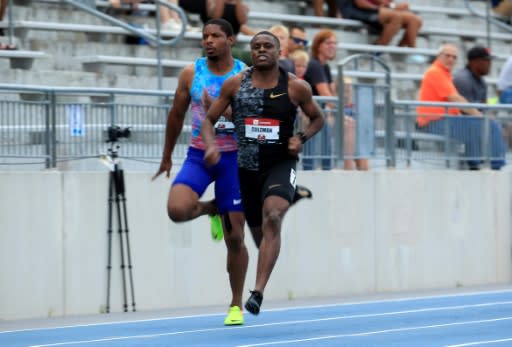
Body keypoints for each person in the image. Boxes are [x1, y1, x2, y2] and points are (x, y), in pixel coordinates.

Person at [201, 31, 324, 315]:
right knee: (257, 232)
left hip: (280, 163)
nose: (261, 50)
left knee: (273, 217)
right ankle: (282, 202)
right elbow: (209, 120)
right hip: (246, 169)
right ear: (251, 52)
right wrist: (210, 146)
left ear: (279, 52)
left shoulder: (296, 87)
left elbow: (318, 117)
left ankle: (257, 293)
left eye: (268, 45)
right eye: (256, 46)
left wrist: (301, 137)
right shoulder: (235, 84)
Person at [152, 18, 248, 326]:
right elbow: (177, 114)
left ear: (230, 40)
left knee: (235, 238)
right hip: (199, 154)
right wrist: (166, 156)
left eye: (216, 36)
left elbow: (254, 120)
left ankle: (235, 305)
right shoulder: (191, 73)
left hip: (234, 159)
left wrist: (219, 110)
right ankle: (212, 209)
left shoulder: (245, 75)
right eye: (205, 36)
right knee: (177, 209)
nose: (208, 41)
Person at [416, 43, 505, 170]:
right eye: (447, 56)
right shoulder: (436, 72)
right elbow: (456, 99)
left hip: (441, 120)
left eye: (454, 57)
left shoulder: (444, 74)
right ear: (438, 57)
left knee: (474, 124)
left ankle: (475, 164)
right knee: (489, 125)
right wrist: (478, 114)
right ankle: (496, 165)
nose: (451, 59)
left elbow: (455, 101)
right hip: (433, 122)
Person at [303, 29, 359, 170]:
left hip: (322, 113)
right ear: (318, 46)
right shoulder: (315, 65)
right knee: (349, 123)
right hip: (313, 115)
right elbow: (328, 98)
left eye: (334, 43)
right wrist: (341, 110)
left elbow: (334, 96)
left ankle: (352, 164)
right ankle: (347, 166)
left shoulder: (325, 66)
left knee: (350, 121)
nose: (332, 46)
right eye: (328, 43)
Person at [336, 0, 422, 49]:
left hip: (373, 9)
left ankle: (406, 49)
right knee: (396, 17)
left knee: (415, 20)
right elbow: (360, 3)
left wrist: (392, 5)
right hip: (356, 10)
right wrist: (391, 7)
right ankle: (378, 49)